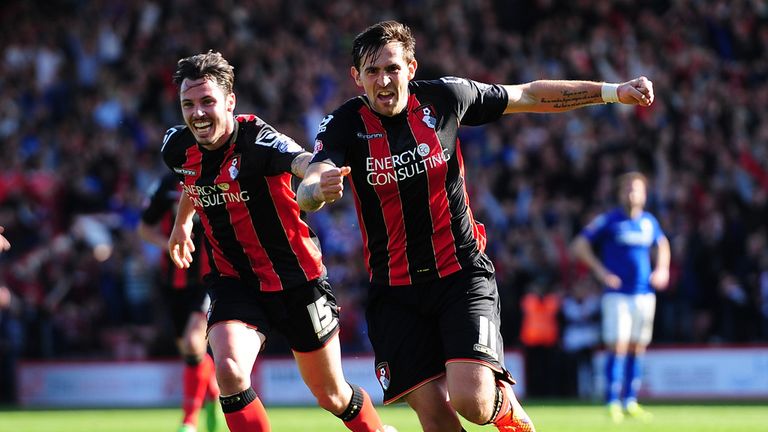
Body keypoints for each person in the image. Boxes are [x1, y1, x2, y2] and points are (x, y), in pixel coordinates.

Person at [295, 20, 654, 432]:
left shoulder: (446, 98)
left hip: (460, 274)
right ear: (356, 78)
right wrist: (317, 190)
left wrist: (613, 92)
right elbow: (309, 182)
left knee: (473, 401)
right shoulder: (343, 124)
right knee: (433, 413)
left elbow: (529, 95)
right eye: (372, 71)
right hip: (394, 290)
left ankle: (507, 410)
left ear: (411, 68)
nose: (384, 80)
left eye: (392, 68)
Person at [161, 50, 391, 432]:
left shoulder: (257, 140)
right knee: (230, 370)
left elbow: (303, 163)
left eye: (207, 102)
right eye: (188, 104)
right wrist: (182, 224)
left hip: (297, 280)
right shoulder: (176, 146)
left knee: (332, 396)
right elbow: (190, 177)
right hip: (234, 280)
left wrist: (319, 182)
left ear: (230, 102)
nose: (198, 113)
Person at [570, 171, 670, 422]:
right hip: (617, 295)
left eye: (636, 189)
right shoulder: (609, 221)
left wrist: (662, 269)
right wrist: (601, 272)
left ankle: (630, 400)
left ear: (644, 195)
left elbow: (663, 244)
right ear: (619, 193)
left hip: (644, 294)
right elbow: (579, 245)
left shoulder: (649, 222)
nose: (631, 193)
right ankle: (612, 401)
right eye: (627, 188)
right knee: (618, 345)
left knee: (638, 346)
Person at [138, 172, 223, 432]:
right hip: (173, 283)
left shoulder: (216, 177)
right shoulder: (165, 185)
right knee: (191, 351)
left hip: (209, 280)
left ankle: (189, 421)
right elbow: (144, 229)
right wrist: (170, 245)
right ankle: (213, 397)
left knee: (192, 342)